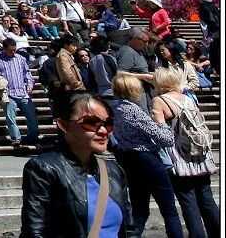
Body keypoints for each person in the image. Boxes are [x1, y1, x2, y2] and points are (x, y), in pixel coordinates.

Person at [20, 93, 133, 236]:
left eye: (108, 123)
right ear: (63, 125)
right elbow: (33, 231)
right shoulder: (44, 168)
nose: (103, 131)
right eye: (91, 122)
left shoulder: (113, 170)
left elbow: (129, 228)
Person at [110, 73, 183, 238]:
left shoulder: (113, 107)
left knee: (139, 209)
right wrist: (162, 122)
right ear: (132, 90)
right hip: (147, 159)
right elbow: (165, 138)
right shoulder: (133, 110)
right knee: (169, 209)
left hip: (128, 159)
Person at [150, 68, 219, 238]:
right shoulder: (188, 99)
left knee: (188, 201)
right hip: (199, 153)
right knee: (207, 199)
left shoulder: (159, 101)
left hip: (179, 157)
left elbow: (162, 133)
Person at [0, 38, 38, 148]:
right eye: (11, 50)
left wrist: (29, 86)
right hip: (8, 93)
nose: (13, 52)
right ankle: (16, 138)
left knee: (32, 117)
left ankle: (32, 137)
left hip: (23, 93)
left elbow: (27, 74)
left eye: (14, 50)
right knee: (11, 118)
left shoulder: (20, 58)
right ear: (4, 48)